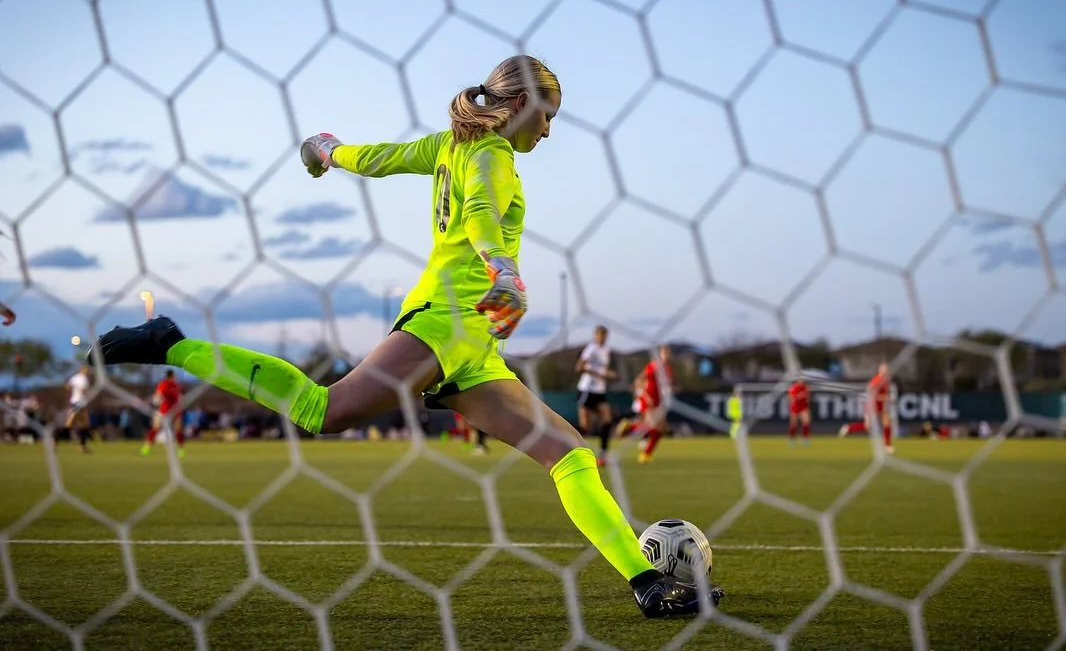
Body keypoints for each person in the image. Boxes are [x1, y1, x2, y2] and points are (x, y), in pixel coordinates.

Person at [88, 55, 723, 616]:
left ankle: (646, 583)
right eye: (546, 115)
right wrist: (503, 271)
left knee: (569, 452)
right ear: (518, 105)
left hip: (475, 345)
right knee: (324, 411)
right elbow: (479, 212)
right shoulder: (492, 154)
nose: (548, 130)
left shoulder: (448, 145)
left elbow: (382, 159)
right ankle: (169, 343)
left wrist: (328, 150)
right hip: (447, 318)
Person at [575, 325, 615, 465]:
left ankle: (603, 456)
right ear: (595, 335)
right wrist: (598, 374)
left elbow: (603, 369)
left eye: (605, 335)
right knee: (585, 426)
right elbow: (579, 367)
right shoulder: (591, 349)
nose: (602, 337)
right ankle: (564, 443)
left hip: (600, 390)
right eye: (600, 334)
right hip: (587, 389)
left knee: (607, 420)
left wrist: (608, 374)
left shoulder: (606, 349)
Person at [630, 344, 673, 464]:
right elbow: (638, 381)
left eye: (668, 353)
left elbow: (665, 386)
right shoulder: (654, 366)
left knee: (661, 428)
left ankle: (645, 453)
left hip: (659, 401)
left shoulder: (668, 369)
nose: (667, 356)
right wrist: (646, 396)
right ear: (660, 354)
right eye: (665, 353)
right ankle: (631, 428)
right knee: (653, 426)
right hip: (649, 400)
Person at [838, 363, 894, 454]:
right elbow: (870, 389)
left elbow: (884, 395)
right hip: (871, 405)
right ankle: (848, 428)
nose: (886, 370)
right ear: (880, 370)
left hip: (880, 406)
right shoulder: (877, 379)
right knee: (868, 426)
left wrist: (885, 398)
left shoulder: (886, 381)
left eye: (887, 369)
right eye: (884, 369)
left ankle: (887, 446)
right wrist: (881, 397)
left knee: (887, 422)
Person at [141, 369, 186, 458]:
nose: (175, 377)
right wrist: (156, 402)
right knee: (155, 428)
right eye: (174, 375)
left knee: (178, 429)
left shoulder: (176, 385)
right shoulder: (163, 384)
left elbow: (178, 397)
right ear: (171, 376)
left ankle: (181, 449)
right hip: (164, 410)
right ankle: (147, 447)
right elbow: (158, 396)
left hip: (175, 410)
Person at [63, 365, 93, 454]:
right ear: (83, 370)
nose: (88, 372)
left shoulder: (75, 377)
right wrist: (82, 393)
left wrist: (73, 393)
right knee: (70, 423)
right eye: (87, 370)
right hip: (80, 403)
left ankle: (82, 446)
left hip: (76, 402)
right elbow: (83, 390)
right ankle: (55, 439)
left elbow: (67, 386)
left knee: (83, 425)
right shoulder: (84, 379)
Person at [787, 377, 810, 446]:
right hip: (795, 407)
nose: (801, 381)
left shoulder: (805, 388)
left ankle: (805, 438)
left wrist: (804, 397)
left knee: (806, 421)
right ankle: (792, 439)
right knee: (793, 423)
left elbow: (808, 398)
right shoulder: (793, 388)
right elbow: (790, 397)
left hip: (803, 407)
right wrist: (798, 397)